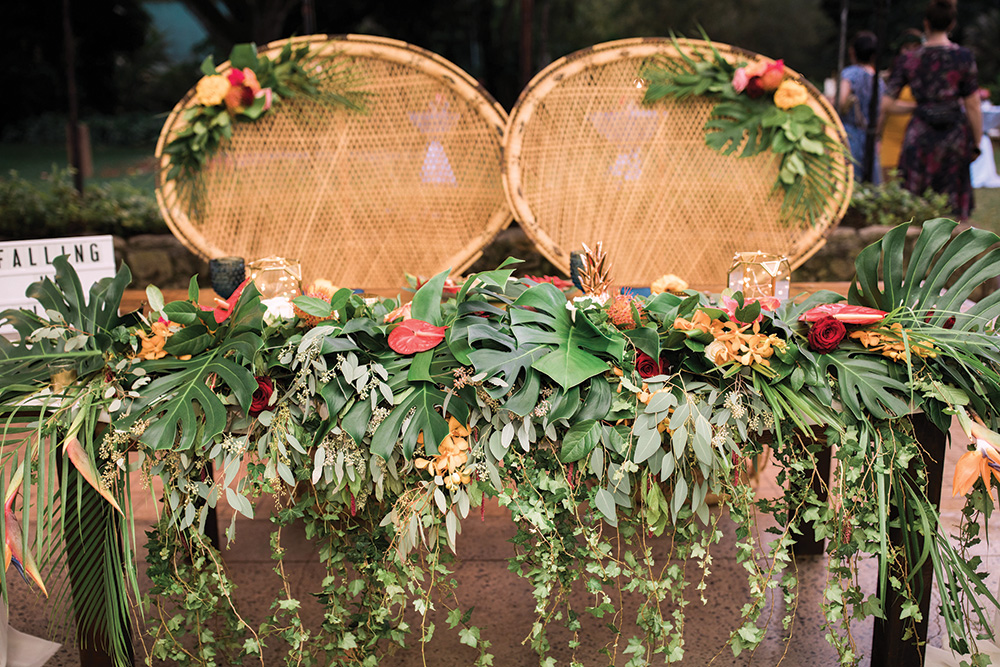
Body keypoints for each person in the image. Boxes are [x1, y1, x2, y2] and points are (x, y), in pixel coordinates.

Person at [882, 0, 983, 220]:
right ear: (952, 23)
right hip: (954, 137)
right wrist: (976, 143)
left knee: (915, 206)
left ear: (926, 23)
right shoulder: (963, 57)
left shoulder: (909, 59)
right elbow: (973, 105)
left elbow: (887, 104)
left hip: (920, 136)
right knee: (952, 210)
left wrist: (918, 107)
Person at [838, 31, 886, 183]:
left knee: (848, 179)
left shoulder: (850, 73)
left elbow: (841, 100)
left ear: (852, 51)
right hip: (870, 136)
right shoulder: (878, 80)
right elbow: (882, 112)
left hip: (849, 133)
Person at [878, 29, 924, 182]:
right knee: (889, 187)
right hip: (891, 138)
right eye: (907, 47)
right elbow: (883, 107)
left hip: (915, 139)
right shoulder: (888, 78)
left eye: (915, 47)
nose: (910, 52)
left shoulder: (926, 77)